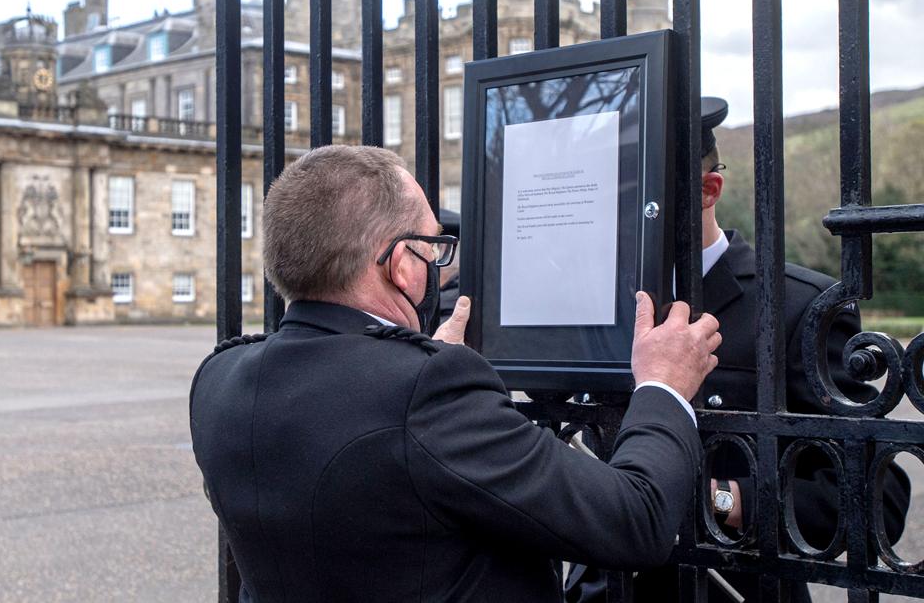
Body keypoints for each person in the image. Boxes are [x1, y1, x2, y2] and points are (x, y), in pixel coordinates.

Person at [190, 144, 722, 602]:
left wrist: (414, 356)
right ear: (401, 265)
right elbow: (637, 519)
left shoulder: (217, 378)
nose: (437, 263)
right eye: (432, 247)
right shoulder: (427, 391)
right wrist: (661, 386)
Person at [566, 98, 911, 603]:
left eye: (643, 198)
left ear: (709, 190)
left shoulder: (796, 305)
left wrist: (721, 500)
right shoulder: (595, 302)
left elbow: (879, 497)